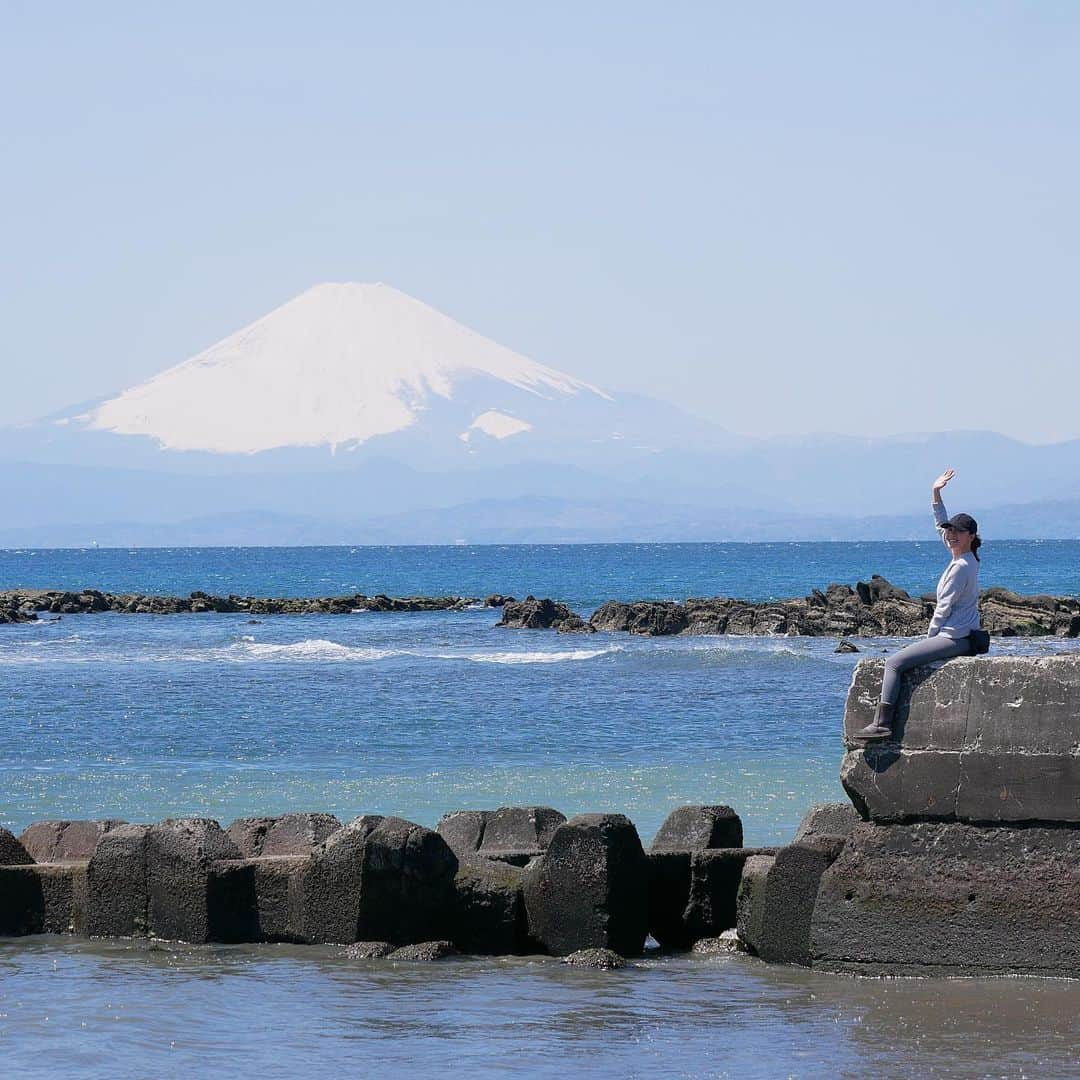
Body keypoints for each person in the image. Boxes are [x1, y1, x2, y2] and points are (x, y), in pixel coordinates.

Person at [853, 468, 983, 741]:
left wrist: (928, 640)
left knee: (895, 663)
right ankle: (882, 722)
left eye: (959, 532)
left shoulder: (961, 566)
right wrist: (935, 493)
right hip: (961, 635)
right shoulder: (963, 556)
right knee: (900, 660)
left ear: (971, 535)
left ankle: (882, 724)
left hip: (954, 637)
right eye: (951, 531)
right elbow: (941, 526)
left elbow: (943, 608)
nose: (951, 535)